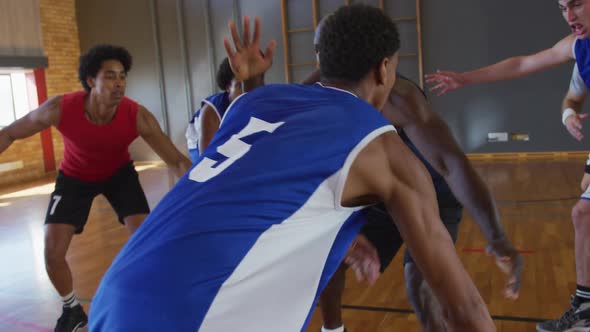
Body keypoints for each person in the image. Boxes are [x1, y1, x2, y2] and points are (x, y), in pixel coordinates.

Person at [88, 6, 495, 331]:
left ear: (321, 60)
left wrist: (251, 83)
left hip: (117, 289)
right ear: (384, 69)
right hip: (192, 312)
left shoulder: (252, 103)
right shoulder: (384, 150)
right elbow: (462, 307)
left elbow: (247, 178)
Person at [306, 15, 522, 332]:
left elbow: (451, 163)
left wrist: (496, 235)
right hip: (375, 197)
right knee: (330, 254)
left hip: (431, 193)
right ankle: (333, 329)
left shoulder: (400, 98)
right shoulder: (314, 93)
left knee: (421, 288)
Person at [0, 44, 192, 332]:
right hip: (75, 177)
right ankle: (72, 311)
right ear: (91, 80)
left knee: (146, 240)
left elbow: (176, 162)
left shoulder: (137, 115)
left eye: (123, 76)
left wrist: (203, 193)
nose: (119, 84)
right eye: (110, 76)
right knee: (52, 251)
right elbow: (10, 132)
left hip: (119, 174)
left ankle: (151, 299)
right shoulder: (60, 108)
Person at [425, 1, 590, 330]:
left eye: (577, 5)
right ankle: (585, 308)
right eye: (562, 8)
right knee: (583, 215)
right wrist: (466, 79)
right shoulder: (578, 48)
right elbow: (522, 64)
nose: (569, 16)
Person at [186, 58, 243, 162]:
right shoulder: (211, 111)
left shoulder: (254, 101)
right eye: (240, 86)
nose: (246, 92)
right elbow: (206, 159)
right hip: (197, 140)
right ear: (228, 87)